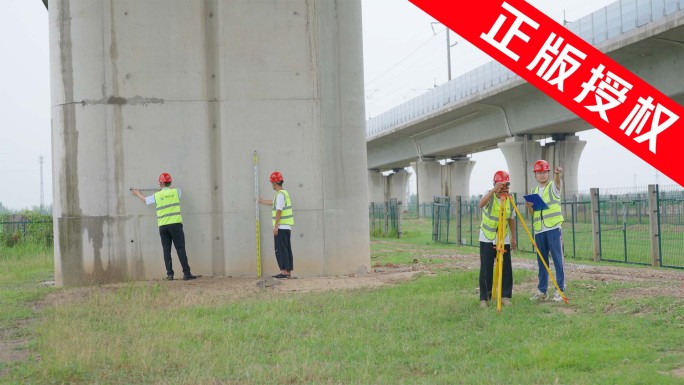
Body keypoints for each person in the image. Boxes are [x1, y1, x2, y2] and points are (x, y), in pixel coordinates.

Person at [131, 173, 197, 281]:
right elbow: (176, 190)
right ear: (170, 182)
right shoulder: (176, 191)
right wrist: (166, 188)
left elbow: (146, 200)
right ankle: (187, 273)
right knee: (180, 249)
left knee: (166, 250)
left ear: (161, 183)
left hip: (163, 227)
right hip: (175, 225)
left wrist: (137, 193)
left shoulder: (157, 195)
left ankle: (170, 275)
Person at [526, 160, 565, 302]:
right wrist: (529, 206)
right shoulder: (533, 192)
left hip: (553, 228)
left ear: (548, 173)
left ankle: (560, 290)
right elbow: (533, 213)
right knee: (541, 262)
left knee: (557, 260)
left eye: (544, 172)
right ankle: (542, 291)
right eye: (539, 173)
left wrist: (557, 174)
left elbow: (558, 183)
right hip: (539, 230)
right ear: (535, 175)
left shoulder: (553, 186)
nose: (542, 175)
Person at [478, 170, 517, 308]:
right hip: (487, 237)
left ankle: (505, 296)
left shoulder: (510, 199)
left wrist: (513, 237)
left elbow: (511, 219)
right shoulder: (489, 195)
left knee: (506, 267)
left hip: (503, 237)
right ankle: (485, 298)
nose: (503, 188)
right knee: (486, 268)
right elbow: (481, 204)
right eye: (500, 185)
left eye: (506, 185)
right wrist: (494, 190)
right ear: (494, 184)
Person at [258, 171, 294, 279]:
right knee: (286, 249)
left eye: (271, 183)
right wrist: (261, 201)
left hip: (281, 227)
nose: (271, 185)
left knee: (280, 249)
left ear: (274, 183)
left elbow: (279, 210)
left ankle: (283, 272)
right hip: (286, 227)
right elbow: (274, 203)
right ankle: (287, 272)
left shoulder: (280, 195)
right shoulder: (283, 193)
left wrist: (276, 226)